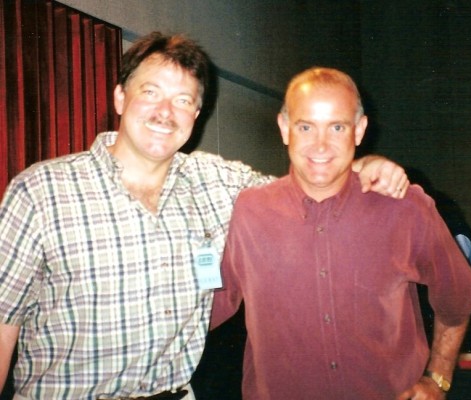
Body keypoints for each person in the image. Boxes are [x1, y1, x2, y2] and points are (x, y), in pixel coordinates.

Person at [0, 33, 409, 400]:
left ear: (196, 115)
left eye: (183, 101)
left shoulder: (218, 183)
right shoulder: (41, 192)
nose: (165, 112)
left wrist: (366, 165)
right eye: (151, 92)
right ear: (121, 98)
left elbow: (307, 186)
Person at [210, 67, 471, 399]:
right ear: (284, 128)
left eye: (336, 127)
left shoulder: (406, 207)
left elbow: (458, 301)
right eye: (306, 126)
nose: (320, 145)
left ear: (359, 130)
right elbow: (204, 308)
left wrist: (437, 377)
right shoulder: (248, 212)